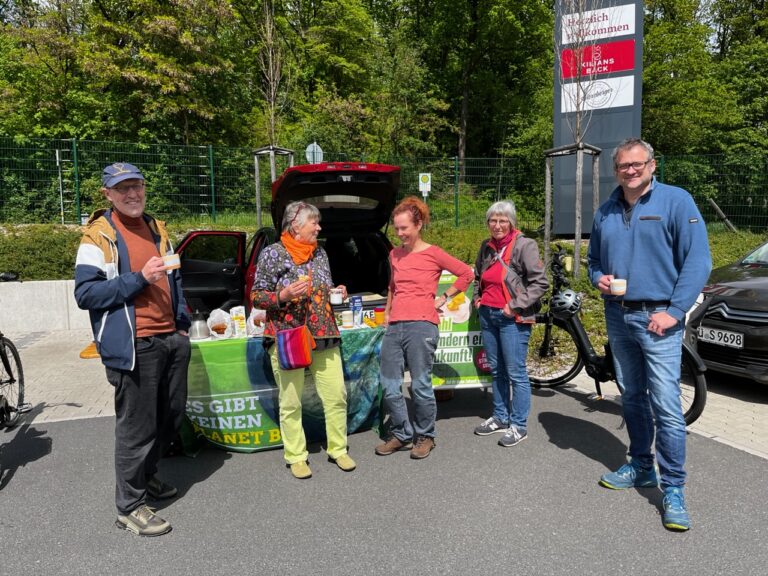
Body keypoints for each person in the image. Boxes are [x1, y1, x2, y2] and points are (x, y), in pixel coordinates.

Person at [587, 138, 711, 531]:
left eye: (638, 164)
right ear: (616, 169)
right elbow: (593, 261)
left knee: (666, 405)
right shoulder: (605, 210)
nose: (631, 170)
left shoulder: (676, 201)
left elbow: (698, 260)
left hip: (658, 319)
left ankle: (673, 487)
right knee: (633, 398)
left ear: (652, 165)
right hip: (618, 315)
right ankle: (641, 465)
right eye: (624, 165)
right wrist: (598, 279)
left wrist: (674, 312)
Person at [74, 162, 191, 537]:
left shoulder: (158, 228)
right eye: (121, 188)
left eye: (136, 185)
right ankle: (130, 506)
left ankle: (147, 476)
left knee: (171, 418)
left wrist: (184, 324)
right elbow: (86, 293)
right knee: (136, 429)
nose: (131, 194)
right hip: (134, 344)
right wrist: (139, 279)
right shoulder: (99, 236)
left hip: (171, 338)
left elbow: (176, 279)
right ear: (108, 194)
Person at [251, 201, 355, 479]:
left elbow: (324, 287)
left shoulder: (320, 253)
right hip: (289, 336)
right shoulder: (273, 254)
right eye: (314, 222)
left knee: (336, 395)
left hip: (324, 333)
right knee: (291, 400)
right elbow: (257, 295)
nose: (319, 227)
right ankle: (296, 455)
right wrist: (282, 296)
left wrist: (338, 292)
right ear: (295, 225)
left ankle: (338, 449)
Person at [375, 196, 473, 460]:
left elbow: (466, 274)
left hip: (422, 325)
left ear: (418, 225)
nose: (399, 233)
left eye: (404, 228)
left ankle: (425, 436)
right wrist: (387, 313)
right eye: (396, 228)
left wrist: (443, 298)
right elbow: (393, 287)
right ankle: (401, 433)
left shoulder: (434, 253)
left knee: (419, 384)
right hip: (395, 325)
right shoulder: (394, 254)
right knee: (389, 384)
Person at [471, 200, 548, 447]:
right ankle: (500, 417)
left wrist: (513, 305)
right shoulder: (486, 247)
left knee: (516, 373)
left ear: (511, 222)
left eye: (503, 220)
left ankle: (519, 425)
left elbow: (540, 283)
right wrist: (477, 298)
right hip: (488, 315)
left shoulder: (524, 245)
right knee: (497, 370)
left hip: (511, 317)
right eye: (493, 220)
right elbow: (476, 276)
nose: (497, 225)